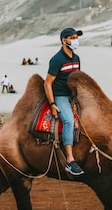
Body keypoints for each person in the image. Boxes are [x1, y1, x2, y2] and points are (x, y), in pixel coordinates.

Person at [44, 27, 84, 176]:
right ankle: (70, 160)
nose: (75, 40)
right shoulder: (57, 59)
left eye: (76, 37)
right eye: (72, 38)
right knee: (68, 121)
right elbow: (47, 83)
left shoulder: (77, 58)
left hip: (74, 95)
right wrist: (52, 104)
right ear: (64, 41)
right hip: (61, 96)